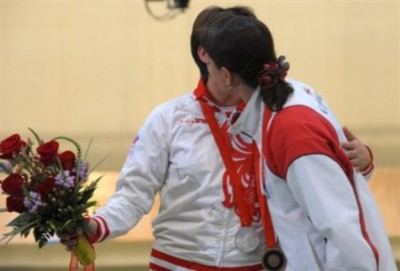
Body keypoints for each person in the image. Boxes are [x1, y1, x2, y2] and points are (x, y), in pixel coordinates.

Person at [59, 6, 376, 270]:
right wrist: (95, 226)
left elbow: (325, 179)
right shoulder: (168, 118)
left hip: (263, 264)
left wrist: (363, 161)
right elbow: (133, 195)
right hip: (178, 264)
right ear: (204, 55)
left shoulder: (280, 113)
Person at [201, 12, 396, 270]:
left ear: (226, 76)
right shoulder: (288, 99)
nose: (206, 76)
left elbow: (342, 230)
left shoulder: (290, 129)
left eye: (209, 67)